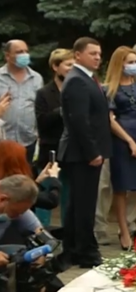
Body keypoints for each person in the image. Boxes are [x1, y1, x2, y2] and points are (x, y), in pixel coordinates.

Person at [57, 37, 110, 268]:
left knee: (80, 204)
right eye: (92, 53)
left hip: (86, 152)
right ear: (77, 55)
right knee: (83, 205)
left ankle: (75, 249)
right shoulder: (77, 80)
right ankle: (86, 252)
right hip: (82, 154)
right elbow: (80, 120)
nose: (97, 57)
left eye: (99, 53)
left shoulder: (87, 78)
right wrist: (92, 152)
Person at [104, 47, 136, 250]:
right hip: (121, 138)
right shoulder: (109, 88)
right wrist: (130, 142)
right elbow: (110, 120)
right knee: (121, 188)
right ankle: (124, 231)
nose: (134, 66)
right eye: (130, 62)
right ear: (119, 64)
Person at [34, 49, 74, 226]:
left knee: (69, 195)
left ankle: (68, 233)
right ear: (55, 67)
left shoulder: (77, 90)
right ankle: (41, 232)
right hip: (50, 150)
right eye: (68, 65)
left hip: (72, 150)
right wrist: (61, 111)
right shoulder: (44, 93)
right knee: (47, 193)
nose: (72, 69)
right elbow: (42, 121)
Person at [0, 40, 45, 164]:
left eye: (26, 51)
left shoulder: (36, 78)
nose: (24, 55)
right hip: (3, 140)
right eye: (19, 52)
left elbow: (40, 108)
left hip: (28, 140)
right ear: (8, 55)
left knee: (25, 178)